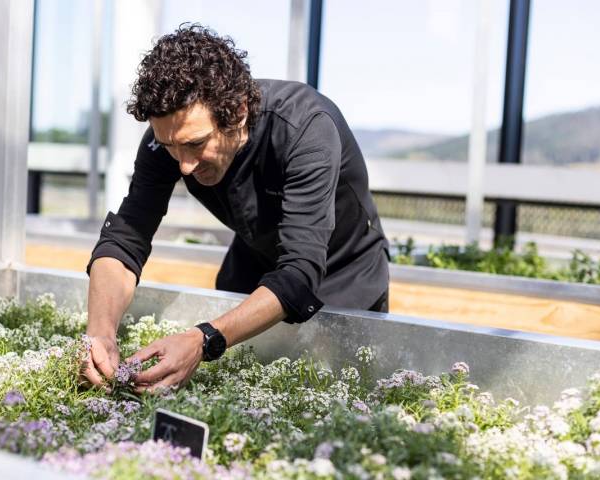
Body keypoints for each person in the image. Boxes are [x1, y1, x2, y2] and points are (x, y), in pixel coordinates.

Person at [82, 24, 389, 392]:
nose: (184, 166)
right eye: (170, 147)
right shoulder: (171, 137)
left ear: (239, 111)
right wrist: (99, 333)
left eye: (196, 144)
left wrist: (204, 339)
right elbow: (126, 238)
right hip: (253, 268)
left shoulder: (305, 127)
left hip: (344, 275)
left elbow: (299, 272)